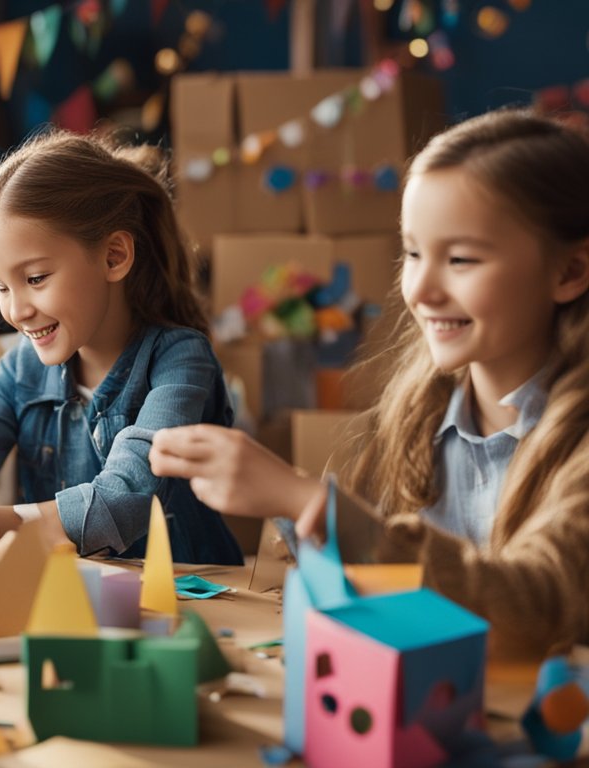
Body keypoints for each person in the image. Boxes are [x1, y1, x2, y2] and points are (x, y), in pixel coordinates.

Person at [151, 110, 589, 659]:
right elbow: (381, 577)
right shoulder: (420, 415)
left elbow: (534, 606)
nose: (421, 289)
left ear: (569, 272)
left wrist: (306, 500)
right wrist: (281, 500)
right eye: (412, 253)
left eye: (460, 259)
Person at [0, 129, 245, 564]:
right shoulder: (19, 367)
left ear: (114, 256)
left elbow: (122, 502)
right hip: (72, 600)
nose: (16, 310)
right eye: (0, 286)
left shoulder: (180, 361)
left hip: (190, 599)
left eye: (34, 279)